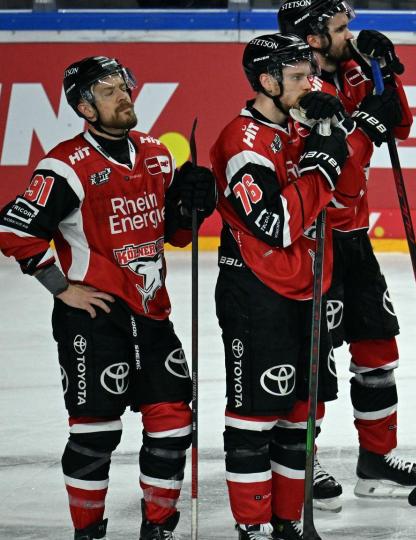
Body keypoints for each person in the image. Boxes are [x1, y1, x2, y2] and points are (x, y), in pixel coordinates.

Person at [0, 56, 216, 540]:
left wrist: (193, 207)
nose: (124, 96)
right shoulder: (65, 165)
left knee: (173, 423)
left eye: (124, 86)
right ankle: (88, 533)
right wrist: (62, 288)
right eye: (109, 91)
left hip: (152, 312)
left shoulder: (156, 154)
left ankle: (157, 528)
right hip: (94, 318)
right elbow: (14, 230)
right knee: (94, 434)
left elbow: (175, 236)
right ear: (85, 107)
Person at [276, 0, 416, 509]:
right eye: (341, 28)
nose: (351, 35)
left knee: (378, 345)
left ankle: (376, 459)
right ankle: (301, 461)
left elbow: (400, 125)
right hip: (312, 239)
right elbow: (336, 176)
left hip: (354, 235)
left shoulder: (353, 70)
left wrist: (386, 72)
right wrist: (363, 124)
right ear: (312, 37)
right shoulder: (295, 92)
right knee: (313, 358)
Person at [209, 33, 353, 539]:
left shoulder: (299, 125)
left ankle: (288, 522)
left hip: (307, 288)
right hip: (257, 292)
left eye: (310, 74)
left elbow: (343, 202)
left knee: (300, 419)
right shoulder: (241, 143)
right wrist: (322, 167)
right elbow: (276, 224)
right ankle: (253, 527)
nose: (310, 84)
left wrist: (332, 132)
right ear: (267, 82)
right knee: (255, 419)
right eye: (296, 77)